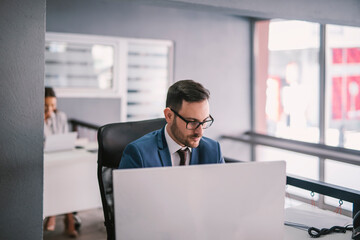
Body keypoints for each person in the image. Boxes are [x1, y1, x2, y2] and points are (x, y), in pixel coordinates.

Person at [119, 79, 224, 169]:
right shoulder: (139, 153)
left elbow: (222, 191)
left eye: (204, 121)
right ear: (169, 116)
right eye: (192, 122)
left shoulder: (213, 150)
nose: (200, 132)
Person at [43, 87, 78, 238]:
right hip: (44, 160)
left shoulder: (61, 116)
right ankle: (68, 220)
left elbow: (63, 138)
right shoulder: (33, 118)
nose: (50, 109)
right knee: (59, 178)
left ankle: (53, 214)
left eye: (53, 105)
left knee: (66, 177)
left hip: (58, 156)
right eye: (46, 106)